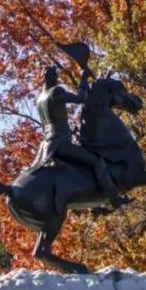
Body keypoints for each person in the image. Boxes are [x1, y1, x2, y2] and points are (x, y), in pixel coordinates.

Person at [32, 65, 127, 209]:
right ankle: (112, 197)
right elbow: (81, 98)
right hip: (60, 142)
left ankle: (94, 205)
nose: (57, 79)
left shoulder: (39, 99)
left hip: (47, 143)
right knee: (96, 161)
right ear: (53, 77)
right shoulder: (55, 92)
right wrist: (83, 78)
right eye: (56, 76)